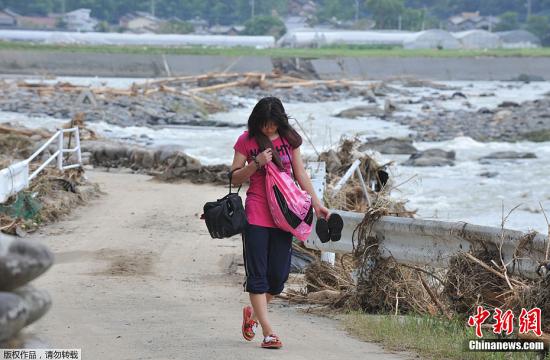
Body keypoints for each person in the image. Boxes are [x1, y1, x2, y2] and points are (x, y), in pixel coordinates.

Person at [230, 97, 331, 349]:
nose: (269, 129)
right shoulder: (246, 140)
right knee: (258, 275)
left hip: (285, 215)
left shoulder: (290, 140)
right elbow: (234, 177)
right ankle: (268, 332)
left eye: (273, 124)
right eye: (264, 124)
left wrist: (317, 203)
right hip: (256, 212)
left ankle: (252, 314)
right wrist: (256, 164)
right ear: (257, 122)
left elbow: (300, 173)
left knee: (278, 277)